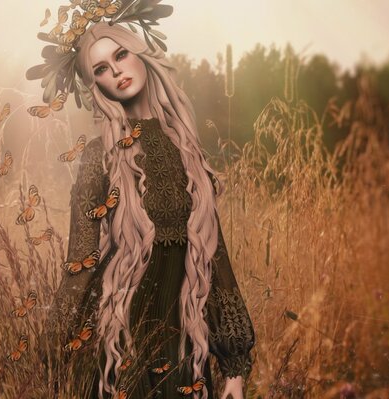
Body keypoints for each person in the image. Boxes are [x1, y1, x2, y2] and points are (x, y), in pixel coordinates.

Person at [30, 9, 255, 399]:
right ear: (95, 84)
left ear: (140, 54)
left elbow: (214, 255)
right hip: (121, 338)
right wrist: (53, 352)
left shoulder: (187, 150)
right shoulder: (99, 158)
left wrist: (234, 366)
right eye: (100, 68)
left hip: (186, 334)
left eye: (120, 55)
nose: (115, 71)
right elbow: (79, 265)